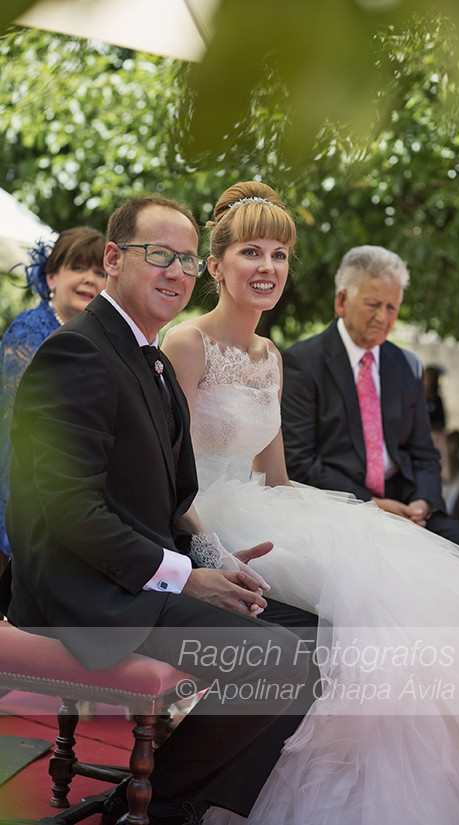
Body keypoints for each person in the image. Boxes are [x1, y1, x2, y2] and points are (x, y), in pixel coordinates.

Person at [3, 195, 320, 825]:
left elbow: (175, 499)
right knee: (279, 658)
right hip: (83, 592)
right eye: (158, 256)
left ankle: (165, 801)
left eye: (183, 259)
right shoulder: (79, 353)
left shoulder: (147, 356)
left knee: (314, 630)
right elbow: (72, 512)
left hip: (137, 575)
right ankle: (165, 808)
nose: (175, 271)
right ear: (116, 259)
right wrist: (184, 576)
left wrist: (215, 559)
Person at [161, 181, 459, 825]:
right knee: (325, 634)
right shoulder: (184, 345)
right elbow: (166, 472)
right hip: (197, 518)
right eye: (251, 252)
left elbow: (276, 479)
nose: (267, 266)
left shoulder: (270, 357)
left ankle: (254, 794)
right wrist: (206, 545)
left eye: (278, 253)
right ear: (215, 266)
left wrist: (364, 517)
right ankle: (183, 792)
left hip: (263, 509)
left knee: (385, 600)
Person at [281, 244, 459, 549]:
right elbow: (298, 461)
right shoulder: (302, 363)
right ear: (342, 301)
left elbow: (424, 451)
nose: (383, 317)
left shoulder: (407, 365)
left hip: (408, 504)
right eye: (373, 304)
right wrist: (372, 504)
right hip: (340, 507)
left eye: (392, 307)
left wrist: (424, 500)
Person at [0, 227, 106, 568]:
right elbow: (13, 425)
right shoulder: (29, 332)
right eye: (79, 268)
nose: (90, 279)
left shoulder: (100, 336)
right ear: (51, 277)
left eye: (100, 272)